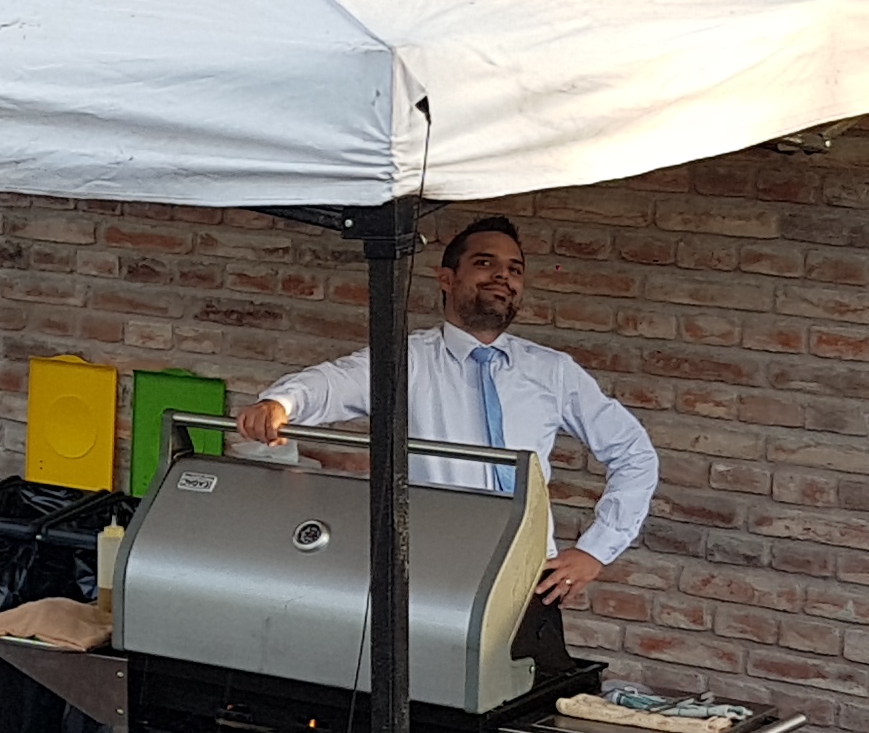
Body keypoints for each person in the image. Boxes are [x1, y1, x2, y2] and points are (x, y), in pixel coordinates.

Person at [237, 215, 657, 665]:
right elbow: (332, 382)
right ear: (446, 278)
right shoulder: (406, 360)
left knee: (525, 702)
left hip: (528, 585)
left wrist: (595, 551)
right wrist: (280, 403)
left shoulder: (551, 371)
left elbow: (634, 453)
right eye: (485, 263)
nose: (503, 276)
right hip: (431, 581)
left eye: (514, 269)